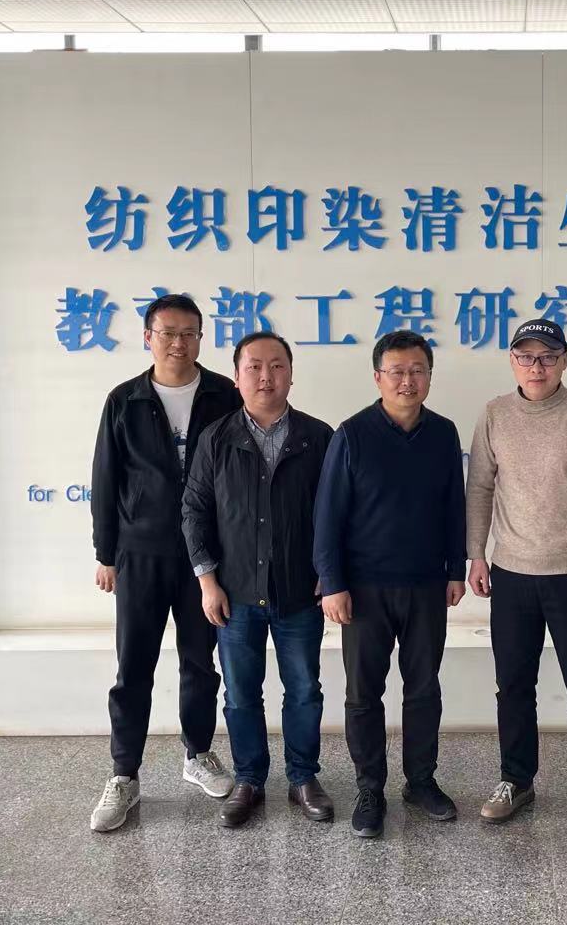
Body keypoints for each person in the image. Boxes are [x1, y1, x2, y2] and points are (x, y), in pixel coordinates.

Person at [466, 318, 567, 837]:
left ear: (564, 361)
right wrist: (476, 554)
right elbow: (480, 488)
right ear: (512, 361)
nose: (537, 367)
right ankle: (516, 779)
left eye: (547, 357)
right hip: (511, 573)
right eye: (526, 357)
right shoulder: (494, 413)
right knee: (513, 684)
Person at [88, 293, 240, 833]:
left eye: (189, 333)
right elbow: (106, 479)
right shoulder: (125, 400)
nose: (178, 343)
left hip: (206, 557)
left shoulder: (224, 394)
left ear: (201, 337)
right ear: (148, 337)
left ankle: (198, 754)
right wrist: (106, 554)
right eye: (168, 333)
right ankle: (123, 774)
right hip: (140, 552)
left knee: (200, 662)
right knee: (134, 666)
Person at [313, 330, 467, 838]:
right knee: (364, 694)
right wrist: (332, 583)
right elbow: (327, 517)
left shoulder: (443, 433)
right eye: (397, 371)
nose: (408, 381)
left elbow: (454, 506)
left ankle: (421, 782)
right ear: (378, 377)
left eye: (418, 370)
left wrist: (455, 568)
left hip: (426, 585)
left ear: (429, 376)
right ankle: (369, 789)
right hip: (364, 589)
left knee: (423, 688)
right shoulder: (352, 434)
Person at [181, 331, 335, 828]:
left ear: (291, 374)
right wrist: (207, 581)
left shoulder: (318, 437)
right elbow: (194, 511)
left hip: (299, 592)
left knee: (304, 690)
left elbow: (337, 514)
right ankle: (249, 779)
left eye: (276, 366)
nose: (265, 377)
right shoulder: (216, 438)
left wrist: (329, 574)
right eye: (254, 367)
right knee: (241, 694)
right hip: (235, 592)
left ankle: (303, 778)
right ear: (237, 375)